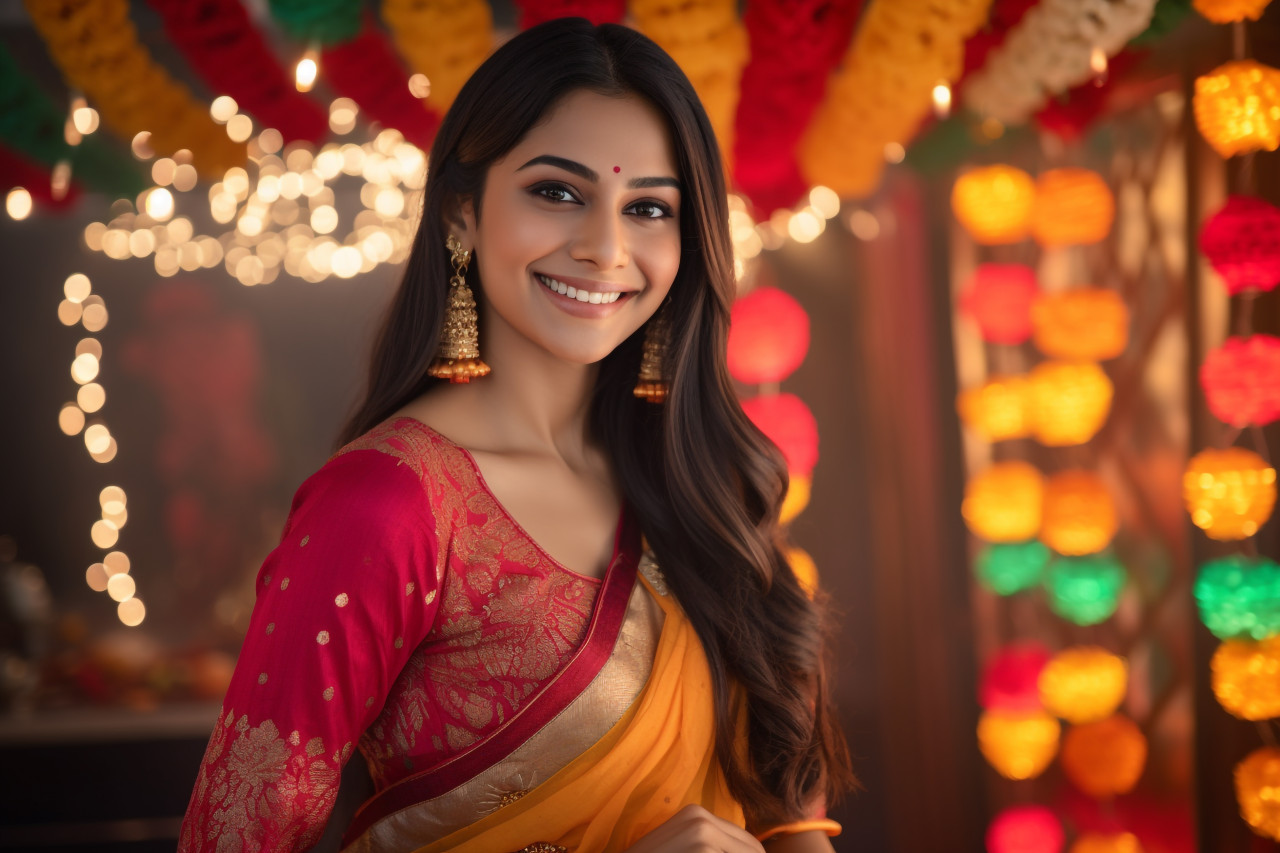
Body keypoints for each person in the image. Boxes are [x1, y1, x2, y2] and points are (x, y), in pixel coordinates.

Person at [179, 17, 853, 852]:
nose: (605, 248)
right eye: (558, 192)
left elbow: (793, 818)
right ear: (462, 211)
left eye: (648, 208)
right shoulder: (387, 507)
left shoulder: (701, 484)